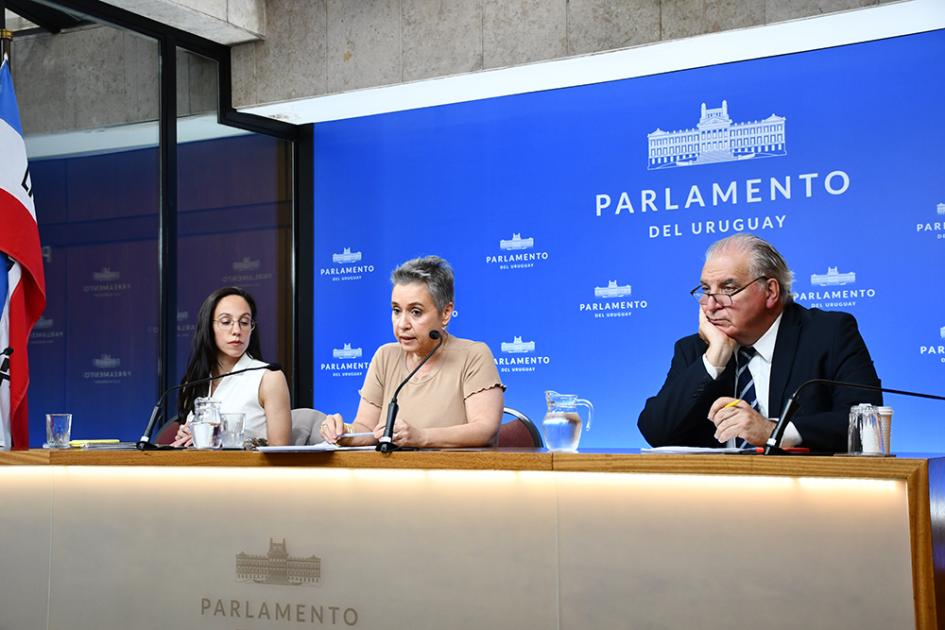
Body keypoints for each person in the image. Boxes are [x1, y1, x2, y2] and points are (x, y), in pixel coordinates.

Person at [637, 233, 881, 453]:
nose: (710, 305)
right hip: (717, 497)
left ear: (770, 292)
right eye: (705, 290)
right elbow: (656, 432)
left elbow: (864, 424)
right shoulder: (696, 349)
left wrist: (773, 431)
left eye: (727, 288)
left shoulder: (828, 334)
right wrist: (715, 360)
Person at [320, 256, 505, 448]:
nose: (402, 324)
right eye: (396, 310)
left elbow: (485, 430)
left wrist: (422, 437)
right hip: (394, 475)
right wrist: (344, 432)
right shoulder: (385, 357)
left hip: (455, 475)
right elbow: (367, 428)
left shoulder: (473, 355)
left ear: (446, 313)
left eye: (416, 312)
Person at [171, 287, 291, 446]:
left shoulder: (269, 377)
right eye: (226, 322)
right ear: (208, 327)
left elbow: (281, 452)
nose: (237, 330)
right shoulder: (194, 381)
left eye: (244, 322)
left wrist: (218, 437)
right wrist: (187, 436)